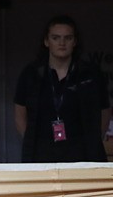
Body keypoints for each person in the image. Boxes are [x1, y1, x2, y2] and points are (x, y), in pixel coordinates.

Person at [14, 15, 110, 163]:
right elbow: (20, 111)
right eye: (56, 38)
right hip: (41, 152)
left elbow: (105, 110)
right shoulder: (31, 73)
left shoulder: (91, 74)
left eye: (68, 38)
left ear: (75, 42)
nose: (62, 43)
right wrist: (31, 140)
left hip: (82, 152)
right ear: (46, 41)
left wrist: (95, 140)